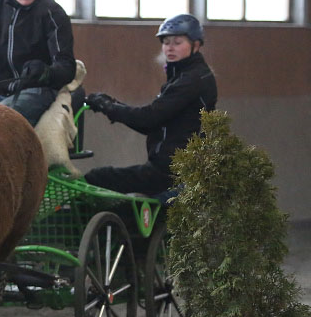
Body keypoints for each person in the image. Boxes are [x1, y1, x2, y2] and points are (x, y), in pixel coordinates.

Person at [84, 13, 217, 195]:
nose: (170, 48)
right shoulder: (185, 76)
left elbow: (148, 118)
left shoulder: (191, 80)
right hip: (170, 169)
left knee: (96, 178)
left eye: (177, 43)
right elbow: (151, 122)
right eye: (166, 42)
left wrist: (109, 107)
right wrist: (112, 105)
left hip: (170, 173)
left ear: (196, 45)